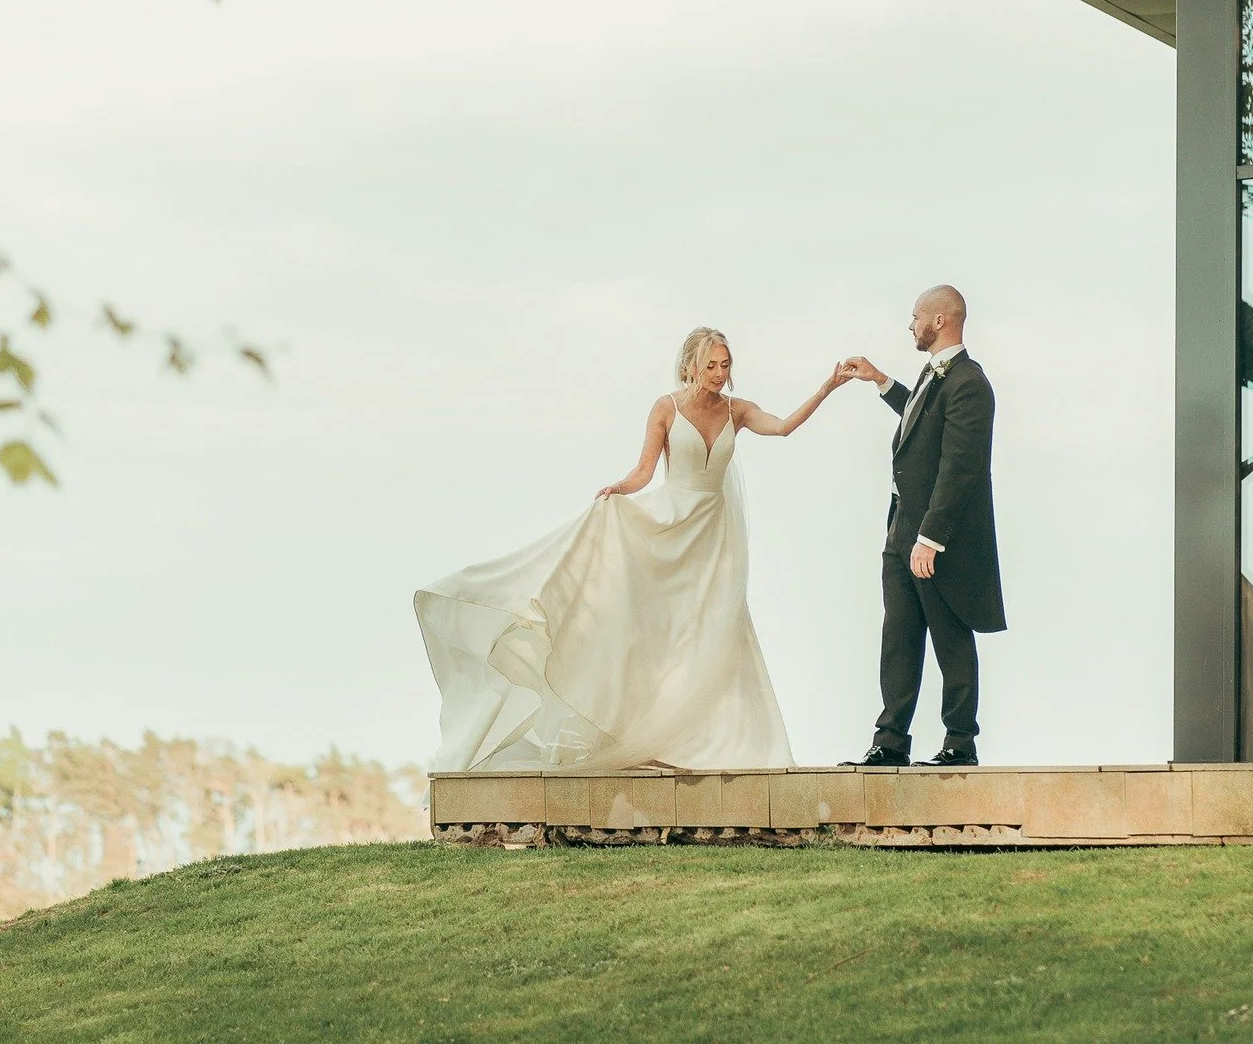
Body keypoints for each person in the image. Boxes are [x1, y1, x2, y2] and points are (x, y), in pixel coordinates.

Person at [415, 328, 850, 772]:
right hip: (670, 524)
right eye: (711, 365)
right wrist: (619, 490)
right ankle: (649, 731)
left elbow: (782, 427)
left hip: (713, 537)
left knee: (715, 629)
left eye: (725, 365)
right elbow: (644, 471)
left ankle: (710, 743)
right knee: (657, 630)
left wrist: (827, 388)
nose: (719, 374)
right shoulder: (666, 407)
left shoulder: (737, 411)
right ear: (691, 366)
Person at [838, 286, 1005, 767]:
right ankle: (890, 742)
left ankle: (959, 743)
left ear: (938, 320)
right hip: (900, 531)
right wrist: (880, 380)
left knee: (951, 636)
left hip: (934, 538)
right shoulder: (936, 378)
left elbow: (960, 467)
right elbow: (920, 417)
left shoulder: (970, 382)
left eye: (915, 317)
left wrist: (929, 539)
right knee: (900, 637)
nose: (909, 325)